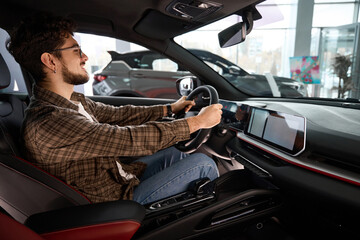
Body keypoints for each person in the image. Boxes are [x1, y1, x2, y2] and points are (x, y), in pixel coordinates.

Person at [6, 13, 223, 204]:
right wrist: (197, 122)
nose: (84, 57)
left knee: (178, 153)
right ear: (50, 61)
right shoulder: (50, 121)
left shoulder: (70, 101)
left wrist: (169, 109)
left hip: (121, 178)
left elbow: (117, 115)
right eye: (76, 50)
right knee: (203, 164)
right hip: (115, 202)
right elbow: (128, 140)